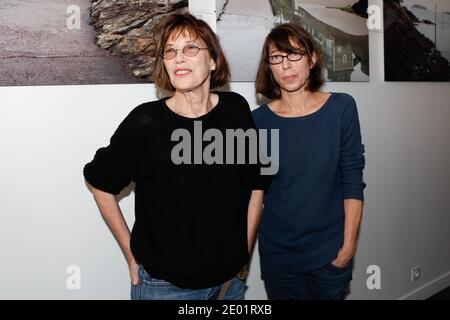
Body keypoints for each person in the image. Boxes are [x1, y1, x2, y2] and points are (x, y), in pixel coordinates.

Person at [83, 13, 266, 300]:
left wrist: (243, 254)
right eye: (170, 51)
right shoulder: (146, 122)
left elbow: (256, 182)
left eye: (191, 48)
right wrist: (132, 256)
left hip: (230, 285)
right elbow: (100, 183)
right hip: (165, 289)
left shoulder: (236, 109)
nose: (179, 57)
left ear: (214, 60)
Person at [252, 23, 366, 300]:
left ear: (312, 58)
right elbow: (255, 192)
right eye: (276, 58)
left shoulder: (341, 108)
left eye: (294, 54)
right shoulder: (257, 121)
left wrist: (348, 247)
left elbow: (352, 179)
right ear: (269, 66)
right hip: (280, 257)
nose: (286, 65)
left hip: (331, 253)